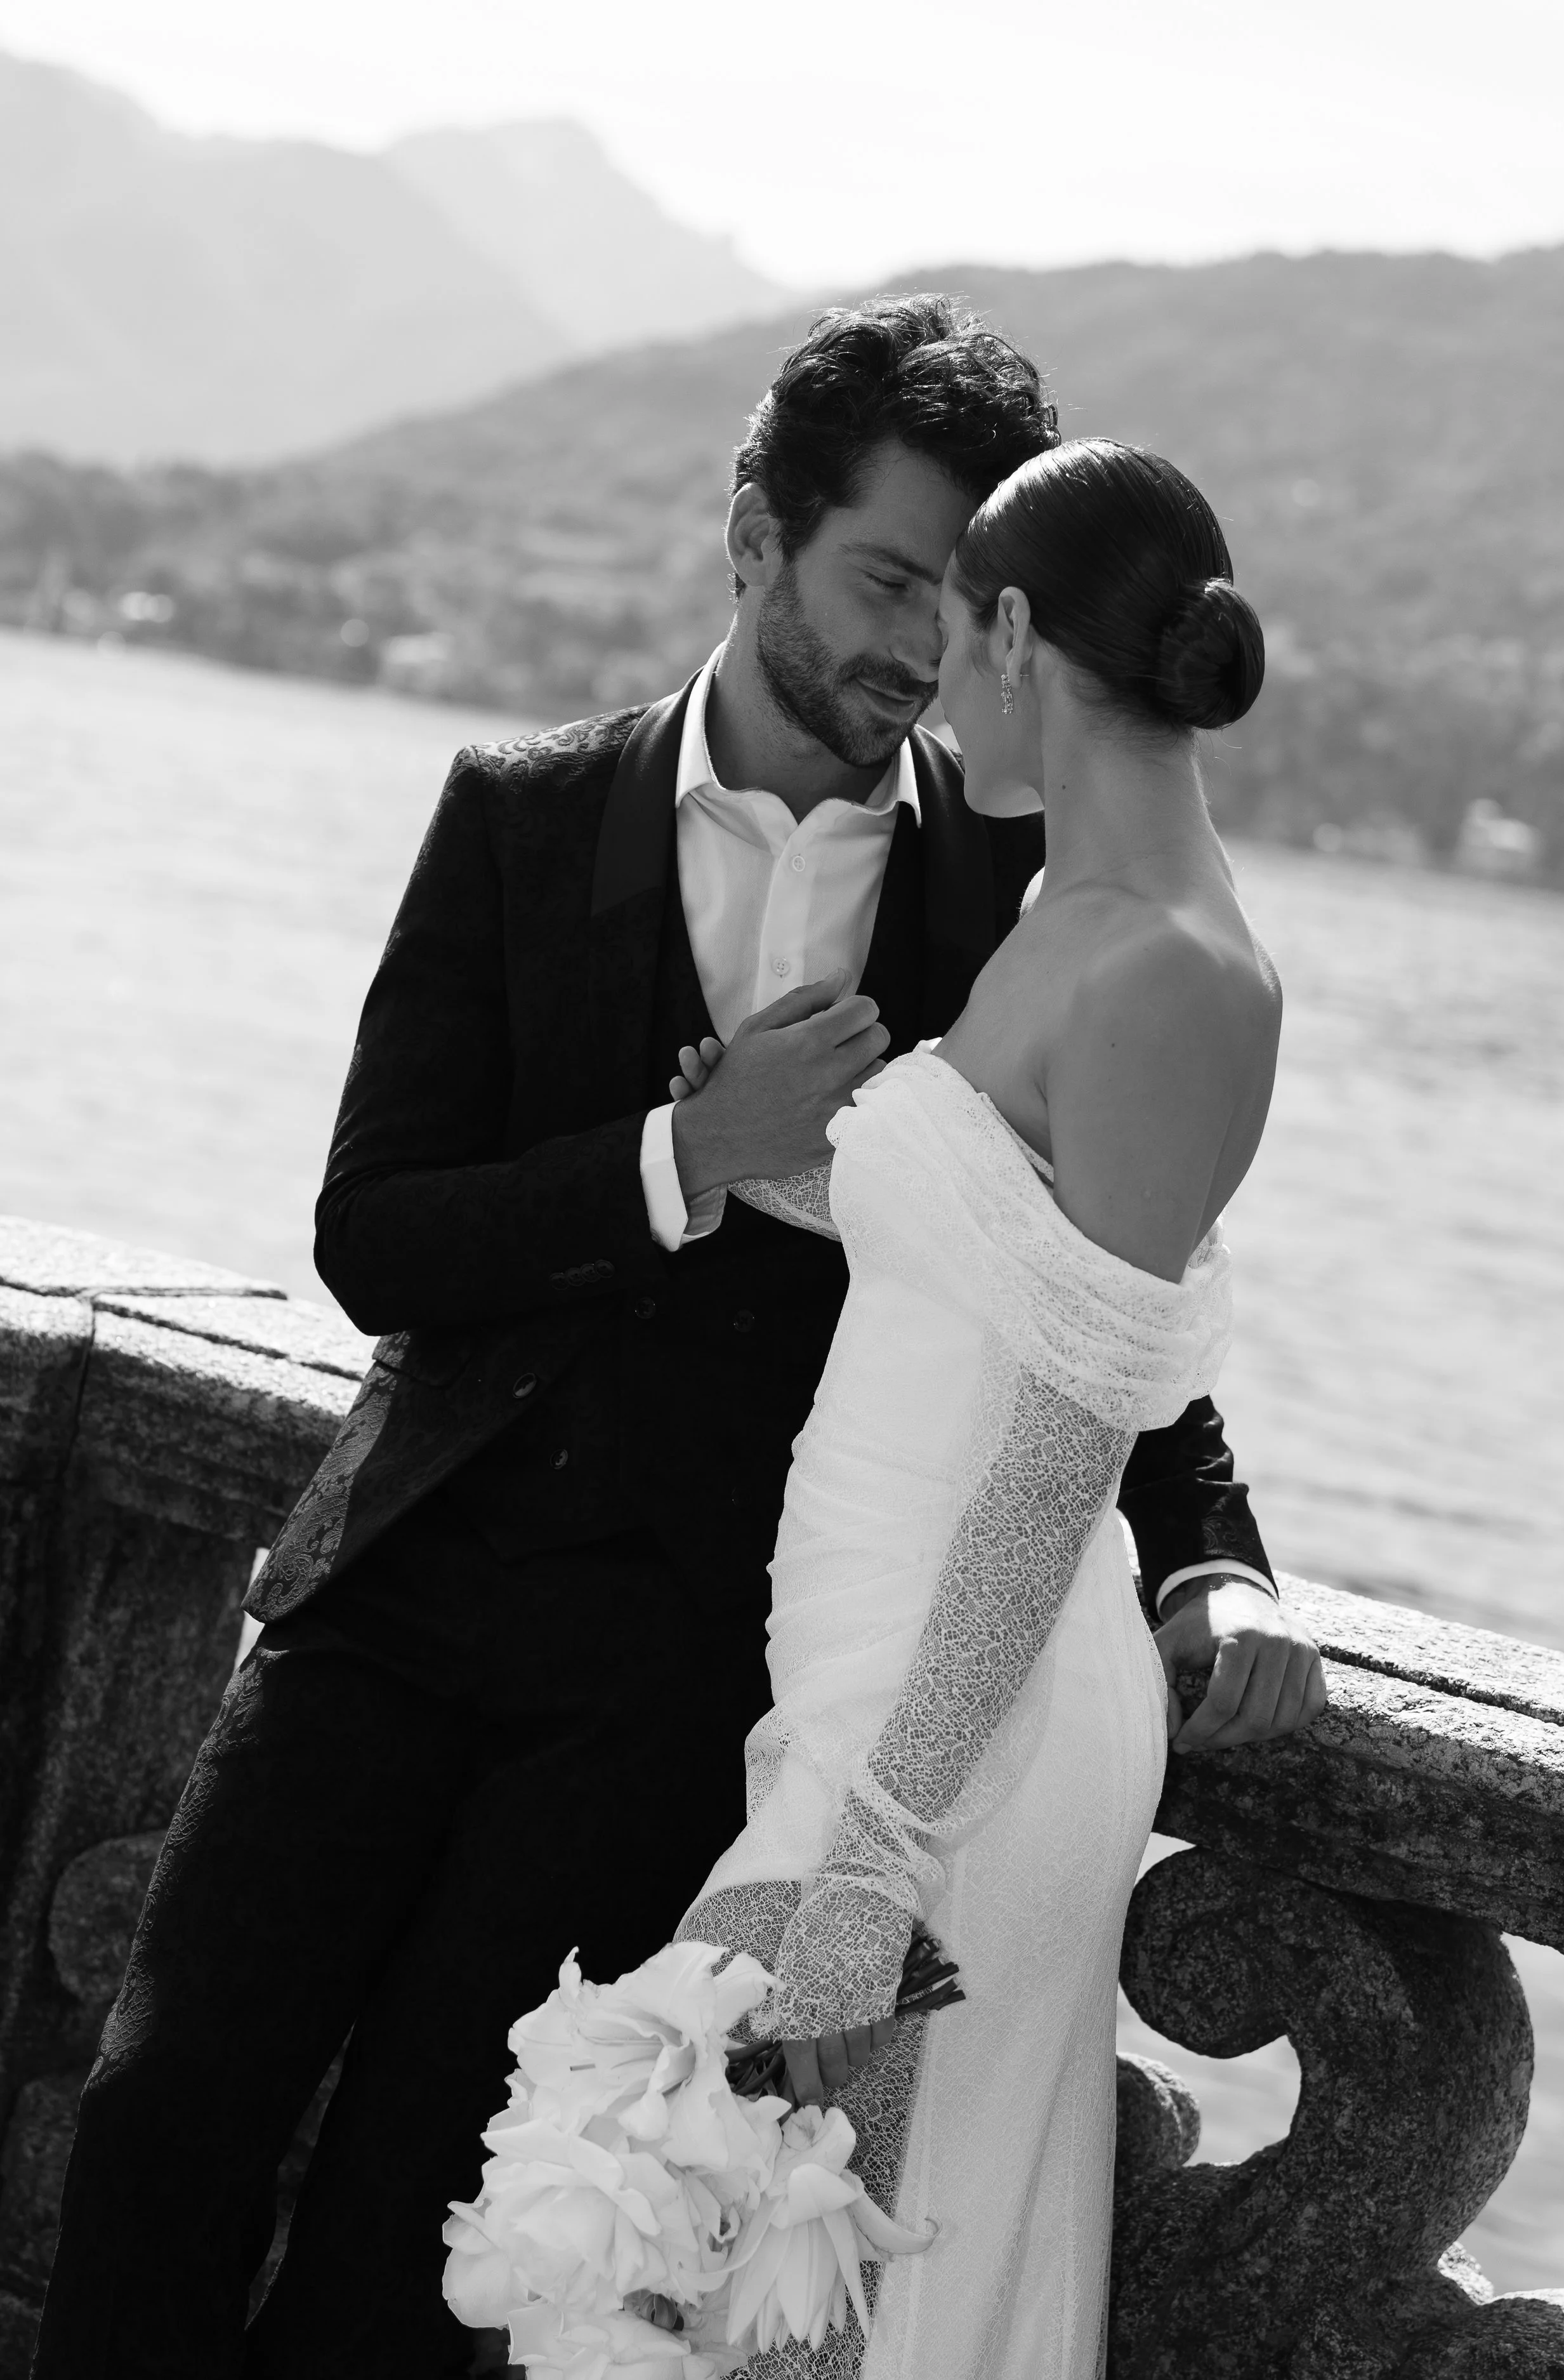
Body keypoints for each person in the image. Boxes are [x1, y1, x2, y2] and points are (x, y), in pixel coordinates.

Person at [32, 302, 1313, 2380]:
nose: (921, 644)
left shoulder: (1028, 880)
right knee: (158, 2120)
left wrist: (1210, 1548)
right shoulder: (522, 812)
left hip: (668, 1686)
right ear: (752, 534)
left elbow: (1083, 1291)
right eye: (880, 578)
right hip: (395, 1601)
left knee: (423, 2228)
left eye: (952, 597)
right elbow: (376, 1233)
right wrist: (682, 1153)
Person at [674, 435, 1327, 2376]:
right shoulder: (1063, 912)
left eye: (955, 637)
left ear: (1020, 627)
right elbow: (971, 1246)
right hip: (876, 1677)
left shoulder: (1178, 977)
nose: (938, 693)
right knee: (756, 2277)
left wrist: (877, 1835)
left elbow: (1061, 1451)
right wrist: (750, 1142)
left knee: (818, 2296)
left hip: (965, 1734)